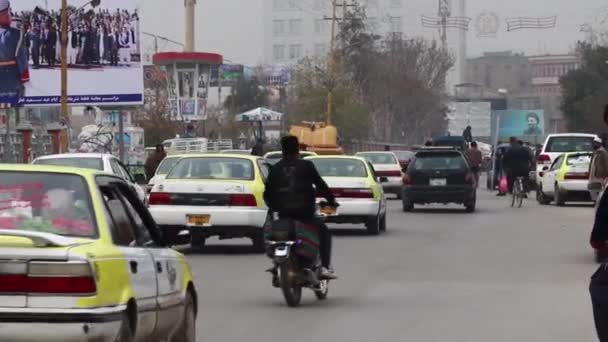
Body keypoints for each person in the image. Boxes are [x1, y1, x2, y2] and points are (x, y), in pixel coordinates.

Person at [263, 135, 338, 279]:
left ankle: (277, 264)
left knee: (276, 233)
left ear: (282, 150)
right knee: (324, 233)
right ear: (298, 149)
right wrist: (331, 201)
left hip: (284, 214)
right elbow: (321, 185)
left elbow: (267, 194)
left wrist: (275, 207)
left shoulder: (276, 169)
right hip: (305, 214)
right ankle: (324, 267)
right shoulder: (306, 166)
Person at [0, 0, 29, 105]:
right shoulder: (17, 34)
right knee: (16, 107)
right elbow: (21, 57)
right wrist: (25, 76)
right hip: (13, 77)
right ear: (6, 13)